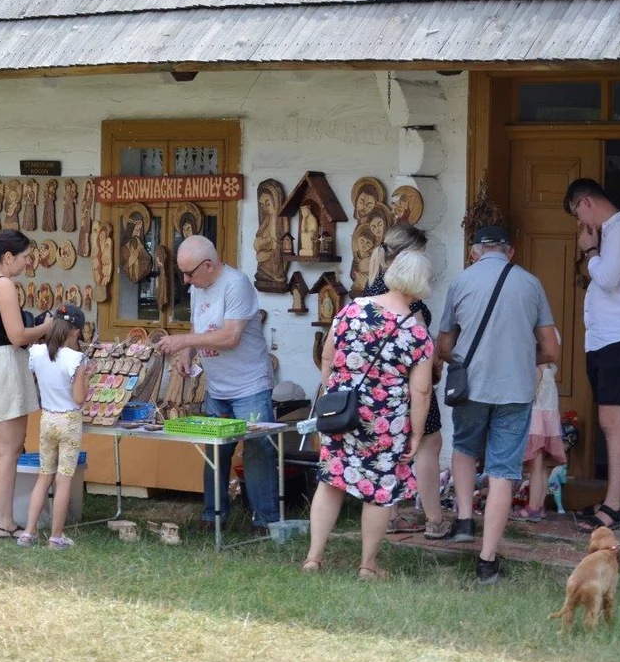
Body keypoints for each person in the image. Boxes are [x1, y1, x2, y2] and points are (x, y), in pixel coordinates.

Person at [437, 226, 560, 585]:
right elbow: (551, 350)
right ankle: (487, 561)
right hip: (516, 390)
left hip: (471, 386)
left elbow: (444, 346)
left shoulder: (460, 283)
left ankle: (463, 519)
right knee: (503, 471)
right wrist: (521, 357)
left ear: (474, 253)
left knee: (463, 447)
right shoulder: (531, 284)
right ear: (511, 252)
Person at [302, 250, 434, 579]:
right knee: (379, 490)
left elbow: (328, 357)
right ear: (421, 285)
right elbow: (421, 392)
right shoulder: (417, 334)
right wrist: (416, 434)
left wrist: (331, 393)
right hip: (385, 421)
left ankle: (313, 559)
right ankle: (367, 566)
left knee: (332, 481)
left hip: (340, 412)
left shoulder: (351, 309)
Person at [156, 236, 279, 534]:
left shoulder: (236, 284)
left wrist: (184, 341)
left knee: (257, 449)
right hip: (218, 386)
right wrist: (188, 352)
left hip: (249, 384)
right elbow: (197, 327)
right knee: (214, 451)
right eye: (182, 273)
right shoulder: (200, 286)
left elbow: (230, 337)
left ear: (209, 265)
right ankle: (214, 515)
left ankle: (266, 520)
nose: (185, 280)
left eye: (189, 273)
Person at [564, 178, 620, 532]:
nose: (579, 224)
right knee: (609, 421)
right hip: (605, 341)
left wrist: (589, 251)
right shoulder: (612, 232)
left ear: (585, 202)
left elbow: (610, 278)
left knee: (613, 421)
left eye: (575, 214)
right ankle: (616, 500)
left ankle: (614, 508)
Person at [363, 224, 449, 539]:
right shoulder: (405, 297)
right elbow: (418, 345)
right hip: (410, 383)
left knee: (392, 446)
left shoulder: (371, 288)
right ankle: (435, 520)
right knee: (428, 444)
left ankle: (392, 515)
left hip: (379, 385)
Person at [0, 229, 52, 538]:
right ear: (8, 258)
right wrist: (45, 327)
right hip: (3, 366)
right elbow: (17, 336)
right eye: (26, 257)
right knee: (10, 450)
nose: (28, 263)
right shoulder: (4, 284)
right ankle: (5, 521)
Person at [17, 305, 88, 550]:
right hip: (68, 421)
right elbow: (79, 398)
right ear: (76, 332)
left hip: (46, 418)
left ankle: (28, 531)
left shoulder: (36, 353)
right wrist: (84, 378)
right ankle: (56, 536)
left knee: (44, 476)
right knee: (64, 479)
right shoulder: (76, 359)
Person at [512, 330, 566, 522]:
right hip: (548, 424)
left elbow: (528, 394)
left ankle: (533, 507)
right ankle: (540, 505)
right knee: (542, 467)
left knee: (534, 467)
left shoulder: (536, 370)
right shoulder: (551, 371)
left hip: (535, 423)